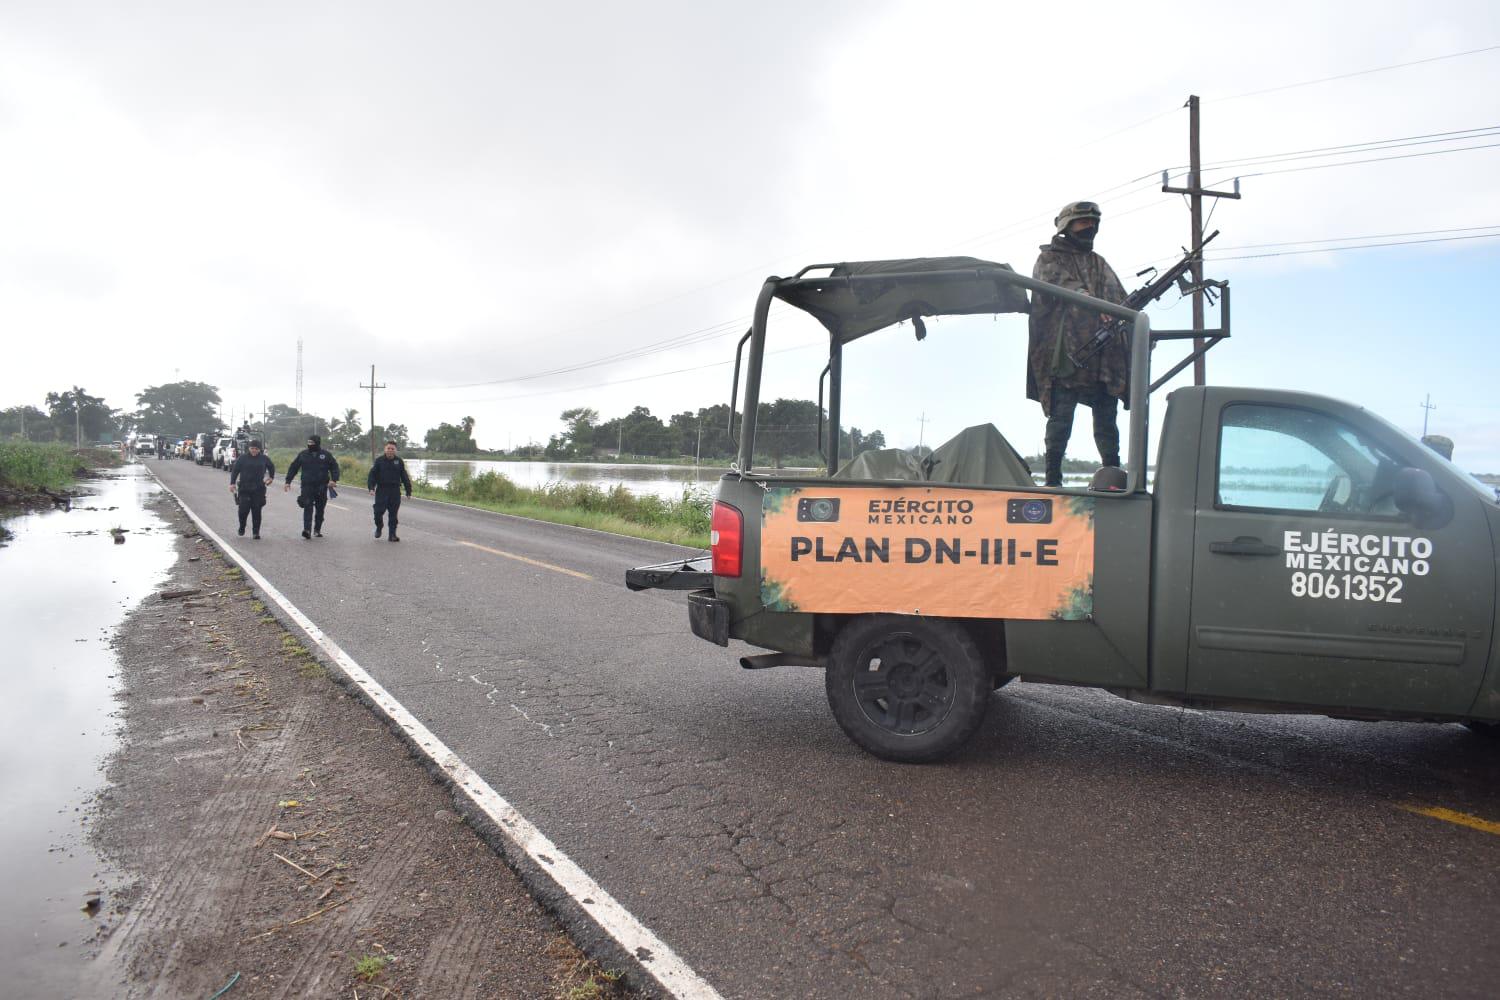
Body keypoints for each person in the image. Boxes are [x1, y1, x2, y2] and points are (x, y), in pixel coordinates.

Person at [1027, 200, 1128, 487]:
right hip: (1066, 354)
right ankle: (1053, 479)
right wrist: (1090, 300)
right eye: (1083, 222)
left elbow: (1119, 296)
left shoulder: (1098, 263)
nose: (1090, 228)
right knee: (1060, 421)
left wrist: (1129, 320)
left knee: (1107, 420)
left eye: (1093, 223)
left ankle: (1113, 475)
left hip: (1102, 356)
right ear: (1067, 226)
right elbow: (1062, 286)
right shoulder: (1049, 259)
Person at [283, 434, 340, 539]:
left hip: (322, 486)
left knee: (320, 509)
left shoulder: (326, 455)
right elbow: (293, 467)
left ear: (317, 443)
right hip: (307, 486)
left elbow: (334, 467)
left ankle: (317, 530)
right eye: (308, 443)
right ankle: (307, 530)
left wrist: (334, 479)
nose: (310, 445)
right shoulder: (303, 454)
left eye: (312, 443)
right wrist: (288, 481)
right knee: (307, 507)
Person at [366, 440, 413, 541]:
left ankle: (392, 535)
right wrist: (371, 488)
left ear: (395, 450)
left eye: (392, 449)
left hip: (395, 491)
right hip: (382, 490)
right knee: (378, 512)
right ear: (385, 449)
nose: (390, 450)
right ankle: (379, 527)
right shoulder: (379, 461)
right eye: (388, 448)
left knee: (393, 515)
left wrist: (408, 490)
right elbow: (372, 475)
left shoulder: (399, 461)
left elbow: (404, 476)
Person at [228, 440, 276, 539]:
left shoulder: (264, 459)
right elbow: (235, 470)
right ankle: (242, 527)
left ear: (259, 449)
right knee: (243, 510)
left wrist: (271, 477)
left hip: (258, 488)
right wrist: (232, 483)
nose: (254, 450)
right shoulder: (242, 458)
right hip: (244, 488)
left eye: (256, 449)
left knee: (257, 511)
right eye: (252, 448)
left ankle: (256, 532)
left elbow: (271, 467)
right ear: (249, 448)